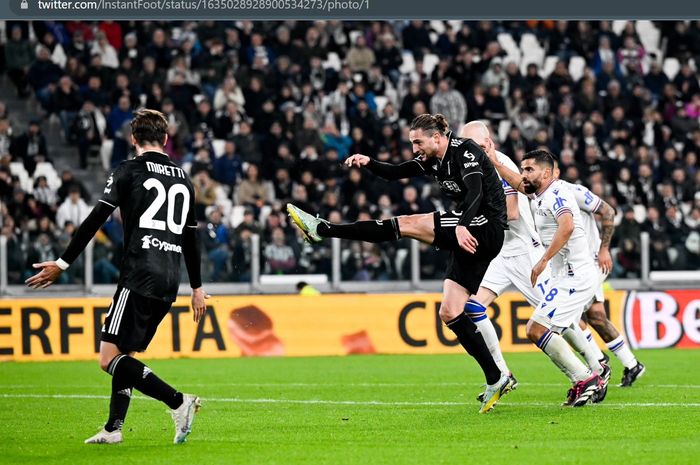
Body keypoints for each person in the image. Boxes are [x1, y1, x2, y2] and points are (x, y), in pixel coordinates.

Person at [287, 113, 513, 413]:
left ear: (437, 137)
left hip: (484, 226)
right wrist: (368, 162)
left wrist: (462, 226)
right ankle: (496, 377)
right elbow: (395, 173)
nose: (414, 148)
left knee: (406, 223)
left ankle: (324, 230)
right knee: (450, 311)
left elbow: (476, 191)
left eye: (418, 142)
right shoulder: (433, 159)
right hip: (471, 232)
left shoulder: (465, 150)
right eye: (412, 143)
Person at [26, 109, 208, 444]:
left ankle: (178, 401)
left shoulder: (128, 171)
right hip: (170, 279)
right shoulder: (184, 177)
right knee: (126, 353)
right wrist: (196, 287)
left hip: (138, 274)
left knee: (108, 359)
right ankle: (113, 428)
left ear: (133, 139)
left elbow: (95, 219)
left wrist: (63, 264)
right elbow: (190, 238)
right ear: (166, 139)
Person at [459, 122, 611, 403]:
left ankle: (596, 363)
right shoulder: (471, 165)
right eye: (465, 144)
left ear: (488, 142)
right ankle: (502, 374)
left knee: (553, 321)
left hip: (525, 254)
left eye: (476, 145)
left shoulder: (502, 164)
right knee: (472, 307)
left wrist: (468, 221)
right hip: (500, 254)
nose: (469, 149)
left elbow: (513, 211)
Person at [489, 149, 603, 406]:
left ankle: (588, 377)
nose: (524, 174)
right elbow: (517, 182)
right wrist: (494, 161)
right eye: (523, 168)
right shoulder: (539, 193)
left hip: (577, 277)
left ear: (548, 173)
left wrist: (542, 260)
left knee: (537, 329)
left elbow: (567, 226)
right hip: (565, 277)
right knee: (542, 330)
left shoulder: (558, 192)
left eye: (529, 169)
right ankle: (590, 373)